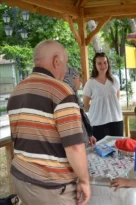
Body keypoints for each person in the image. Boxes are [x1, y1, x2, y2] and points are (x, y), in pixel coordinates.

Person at [7, 40, 90, 205]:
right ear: (56, 61)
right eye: (65, 64)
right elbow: (74, 146)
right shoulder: (61, 91)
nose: (65, 69)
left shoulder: (17, 91)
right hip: (50, 188)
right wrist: (84, 180)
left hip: (21, 179)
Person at [83, 52, 123, 141]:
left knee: (117, 148)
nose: (103, 65)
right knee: (99, 151)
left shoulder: (115, 79)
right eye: (99, 63)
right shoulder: (90, 83)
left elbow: (117, 99)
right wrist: (98, 110)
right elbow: (85, 105)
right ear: (95, 65)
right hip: (98, 123)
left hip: (116, 120)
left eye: (105, 62)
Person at [63, 66, 96, 147]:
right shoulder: (67, 99)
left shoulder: (74, 96)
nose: (80, 80)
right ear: (71, 79)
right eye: (78, 77)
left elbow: (82, 117)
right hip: (76, 146)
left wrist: (89, 135)